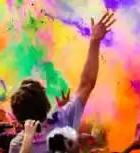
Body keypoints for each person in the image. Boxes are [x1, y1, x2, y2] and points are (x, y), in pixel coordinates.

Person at [8, 12, 115, 153]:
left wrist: (27, 139)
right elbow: (87, 84)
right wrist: (94, 42)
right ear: (45, 103)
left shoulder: (18, 145)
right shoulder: (62, 120)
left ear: (18, 116)